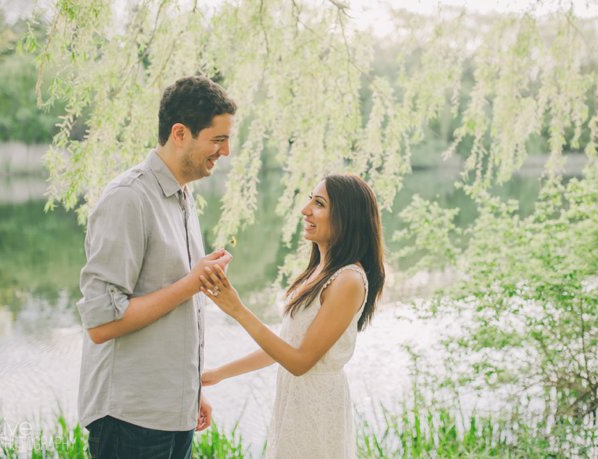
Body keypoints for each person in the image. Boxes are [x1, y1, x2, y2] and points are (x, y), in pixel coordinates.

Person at [75, 75, 237, 457]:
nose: (226, 151)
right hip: (130, 419)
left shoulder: (182, 197)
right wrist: (193, 282)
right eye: (218, 139)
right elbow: (101, 324)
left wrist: (189, 393)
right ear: (180, 133)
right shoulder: (129, 199)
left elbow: (172, 312)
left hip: (171, 413)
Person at [200, 173, 385, 459]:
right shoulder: (318, 274)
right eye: (309, 199)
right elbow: (287, 346)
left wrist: (237, 309)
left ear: (346, 217)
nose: (305, 210)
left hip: (317, 407)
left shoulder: (348, 279)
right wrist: (219, 374)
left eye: (319, 203)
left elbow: (300, 362)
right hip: (295, 403)